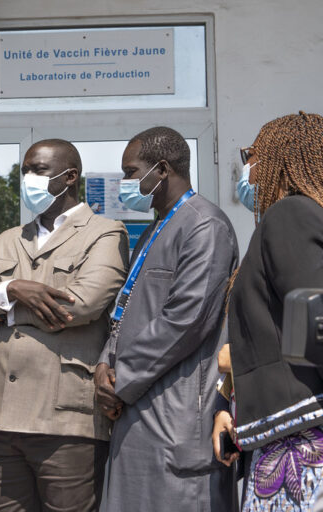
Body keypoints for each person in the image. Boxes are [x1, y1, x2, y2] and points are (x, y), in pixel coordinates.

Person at [0, 139, 128, 511]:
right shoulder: (9, 239)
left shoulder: (105, 232)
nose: (28, 178)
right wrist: (13, 288)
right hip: (0, 415)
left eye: (38, 170)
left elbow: (81, 305)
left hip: (65, 419)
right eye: (24, 171)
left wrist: (6, 308)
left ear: (69, 177)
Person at [94, 126, 238, 511]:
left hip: (174, 418)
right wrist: (104, 365)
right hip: (138, 411)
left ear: (160, 169)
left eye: (130, 172)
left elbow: (186, 321)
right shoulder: (155, 229)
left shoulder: (205, 225)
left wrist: (121, 378)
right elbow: (125, 310)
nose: (125, 182)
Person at [220, 112, 323, 511]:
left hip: (303, 440)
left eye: (252, 154)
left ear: (282, 156)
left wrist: (237, 360)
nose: (246, 166)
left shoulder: (290, 214)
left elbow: (314, 322)